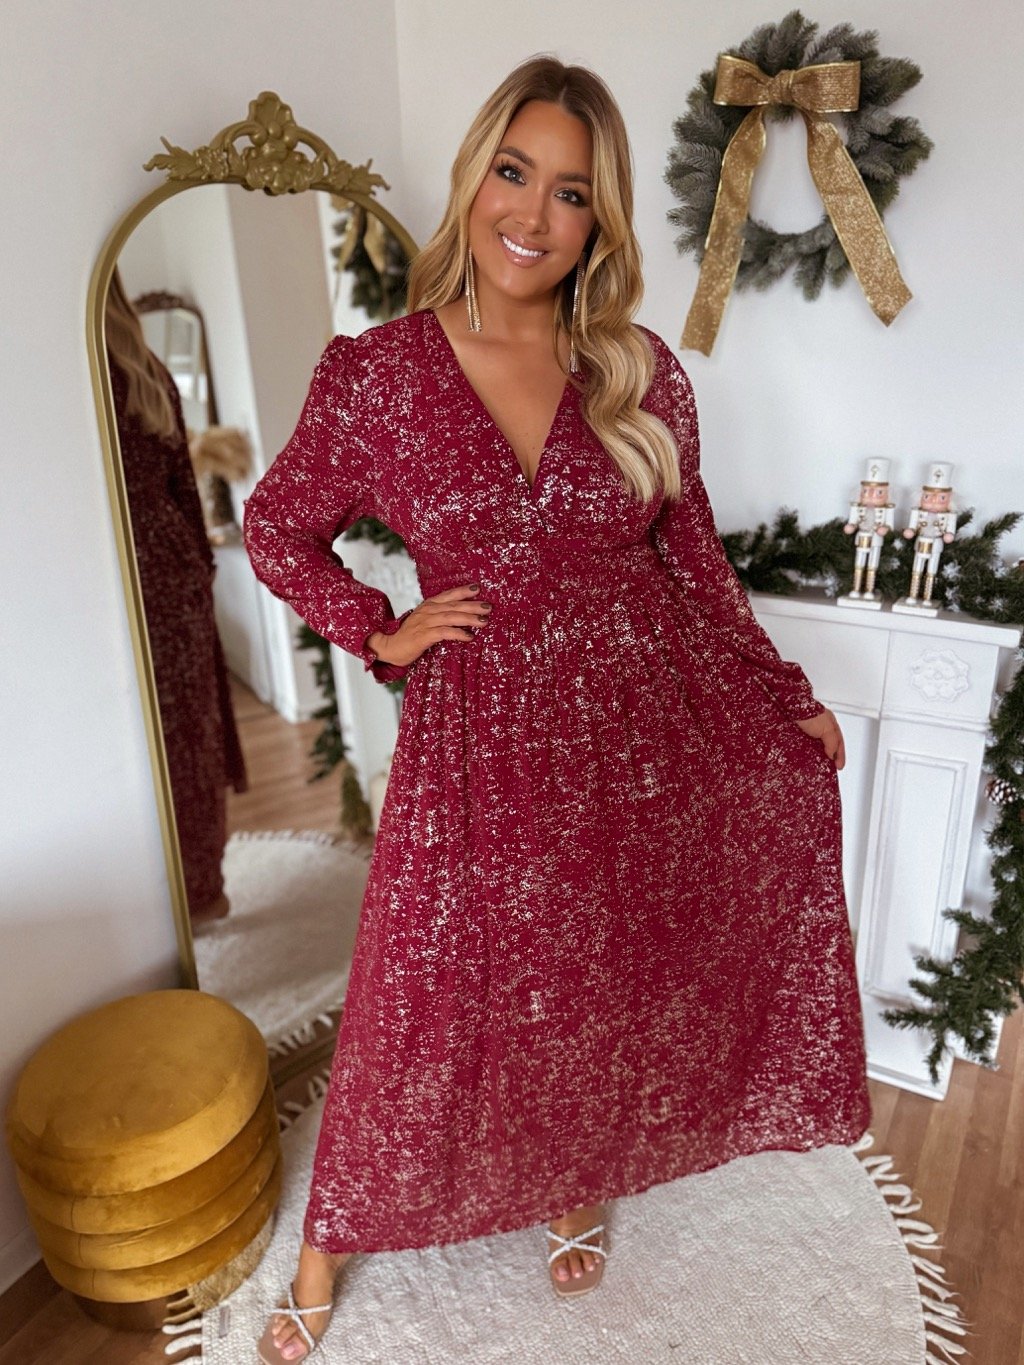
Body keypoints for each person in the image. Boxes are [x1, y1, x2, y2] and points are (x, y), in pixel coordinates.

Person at [246, 56, 870, 1364]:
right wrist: (381, 627)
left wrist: (782, 701)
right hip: (475, 740)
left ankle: (572, 1175)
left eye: (572, 192)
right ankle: (325, 1247)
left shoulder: (636, 371)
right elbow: (277, 527)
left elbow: (693, 567)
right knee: (419, 995)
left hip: (633, 727)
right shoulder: (378, 376)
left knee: (594, 976)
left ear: (601, 221)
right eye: (514, 173)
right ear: (474, 181)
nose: (533, 214)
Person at [106, 268, 247, 922]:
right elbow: (185, 490)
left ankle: (160, 903)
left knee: (142, 740)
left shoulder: (86, 372)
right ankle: (202, 887)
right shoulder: (147, 370)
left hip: (124, 566)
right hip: (170, 563)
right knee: (189, 733)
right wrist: (199, 571)